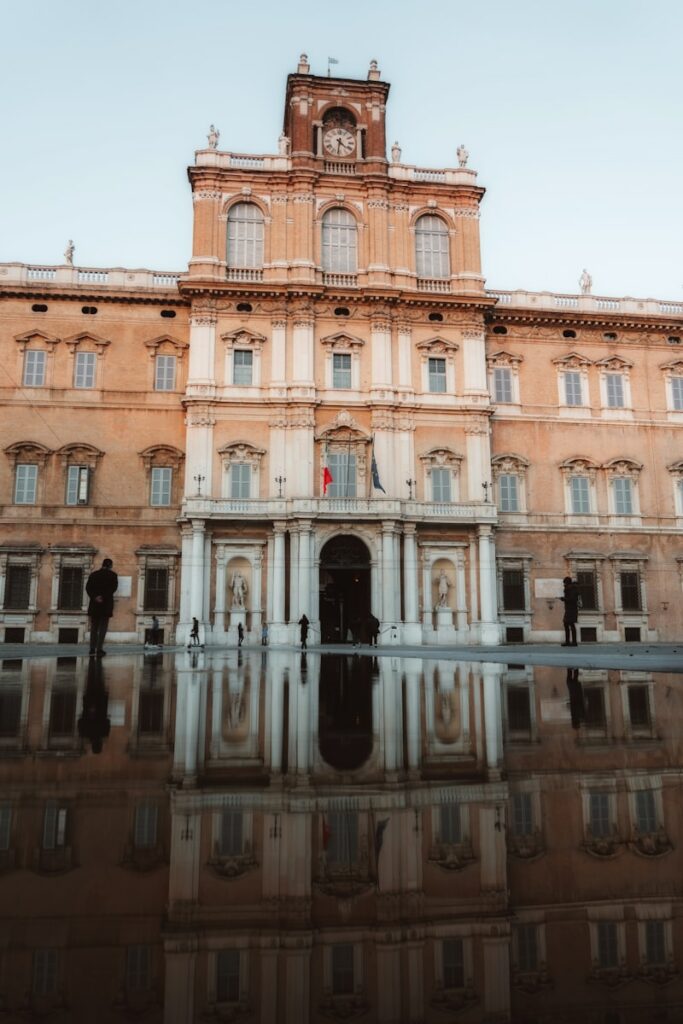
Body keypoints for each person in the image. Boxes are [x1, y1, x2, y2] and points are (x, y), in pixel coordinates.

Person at [78, 657, 110, 754]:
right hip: (89, 702)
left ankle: (95, 663)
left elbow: (107, 721)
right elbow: (79, 721)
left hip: (100, 701)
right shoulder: (84, 734)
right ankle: (93, 662)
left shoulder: (104, 733)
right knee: (91, 680)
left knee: (99, 679)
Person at [86, 558, 118, 657]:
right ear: (110, 566)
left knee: (94, 627)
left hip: (95, 604)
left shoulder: (93, 575)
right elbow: (113, 589)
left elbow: (88, 588)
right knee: (103, 627)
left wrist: (95, 597)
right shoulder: (113, 576)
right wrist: (103, 597)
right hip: (106, 605)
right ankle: (99, 649)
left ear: (102, 564)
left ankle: (92, 648)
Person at [560, 576, 580, 646]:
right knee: (568, 624)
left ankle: (573, 642)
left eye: (564, 583)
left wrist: (564, 599)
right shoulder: (570, 588)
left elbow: (572, 599)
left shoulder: (571, 589)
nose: (564, 584)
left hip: (571, 609)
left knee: (570, 624)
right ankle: (569, 641)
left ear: (567, 582)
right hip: (570, 609)